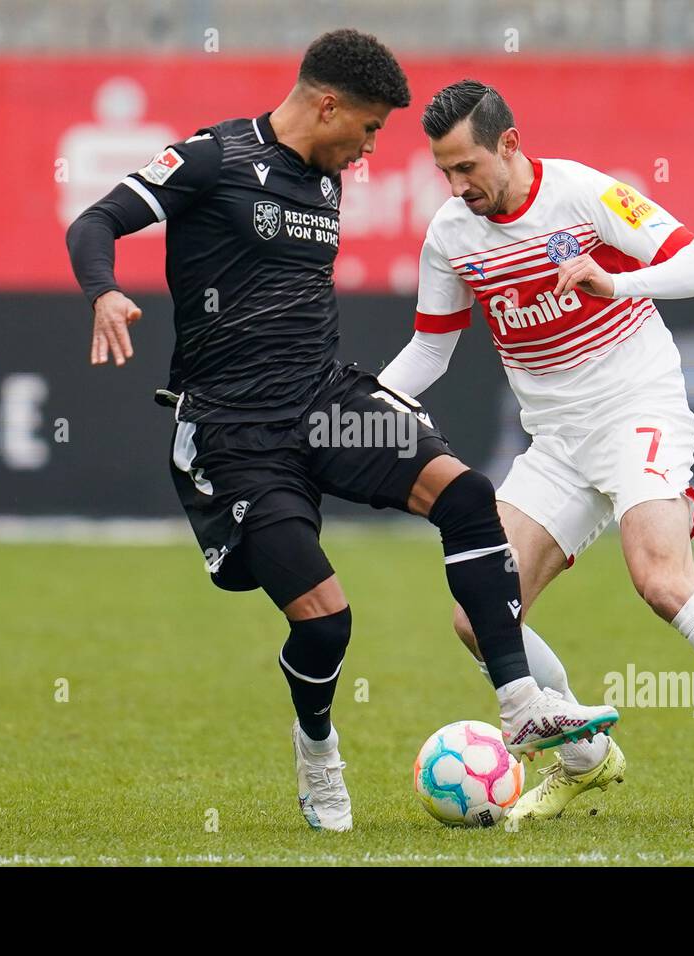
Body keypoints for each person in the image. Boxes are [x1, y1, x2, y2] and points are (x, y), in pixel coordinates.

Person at [66, 36, 618, 832]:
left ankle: (521, 704)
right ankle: (318, 751)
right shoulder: (211, 159)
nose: (368, 150)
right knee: (326, 623)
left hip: (325, 402)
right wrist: (104, 293)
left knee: (467, 497)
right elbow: (96, 221)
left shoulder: (324, 179)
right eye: (366, 129)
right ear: (327, 104)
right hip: (236, 432)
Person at [379, 79, 694, 822]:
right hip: (556, 444)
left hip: (638, 407)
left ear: (509, 144)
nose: (456, 184)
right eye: (445, 170)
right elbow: (430, 350)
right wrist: (361, 407)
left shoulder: (581, 195)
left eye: (467, 166)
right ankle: (585, 758)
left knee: (661, 580)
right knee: (479, 618)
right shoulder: (450, 234)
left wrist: (621, 280)